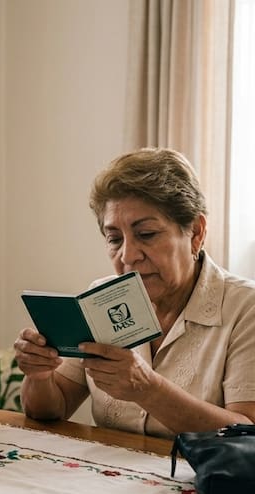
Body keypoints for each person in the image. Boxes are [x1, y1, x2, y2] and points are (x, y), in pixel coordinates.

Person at [15, 148, 255, 437]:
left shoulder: (245, 308)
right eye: (114, 239)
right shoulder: (100, 298)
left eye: (147, 234)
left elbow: (248, 436)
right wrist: (39, 375)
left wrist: (149, 390)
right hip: (113, 477)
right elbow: (52, 409)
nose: (128, 256)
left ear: (196, 232)